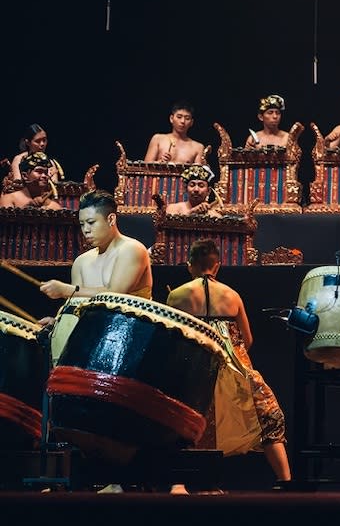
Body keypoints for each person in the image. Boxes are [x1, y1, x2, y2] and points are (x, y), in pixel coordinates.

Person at [37, 188, 153, 494]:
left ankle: (117, 478)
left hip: (126, 342)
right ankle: (59, 476)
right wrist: (58, 317)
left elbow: (115, 294)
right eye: (82, 225)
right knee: (61, 403)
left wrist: (66, 291)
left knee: (109, 411)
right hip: (89, 341)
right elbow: (76, 303)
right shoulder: (82, 261)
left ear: (111, 219)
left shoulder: (132, 250)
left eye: (91, 223)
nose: (86, 230)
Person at [165, 239, 292, 493]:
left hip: (192, 370)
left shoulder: (177, 295)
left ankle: (177, 483)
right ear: (218, 265)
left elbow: (168, 339)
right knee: (269, 418)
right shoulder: (232, 295)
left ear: (190, 265)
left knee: (178, 420)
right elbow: (248, 339)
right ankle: (286, 482)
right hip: (233, 371)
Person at [143, 100, 207, 164]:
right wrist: (159, 163)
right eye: (179, 117)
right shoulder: (158, 139)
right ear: (171, 118)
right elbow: (145, 169)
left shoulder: (198, 147)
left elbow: (199, 172)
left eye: (187, 118)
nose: (182, 121)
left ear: (191, 122)